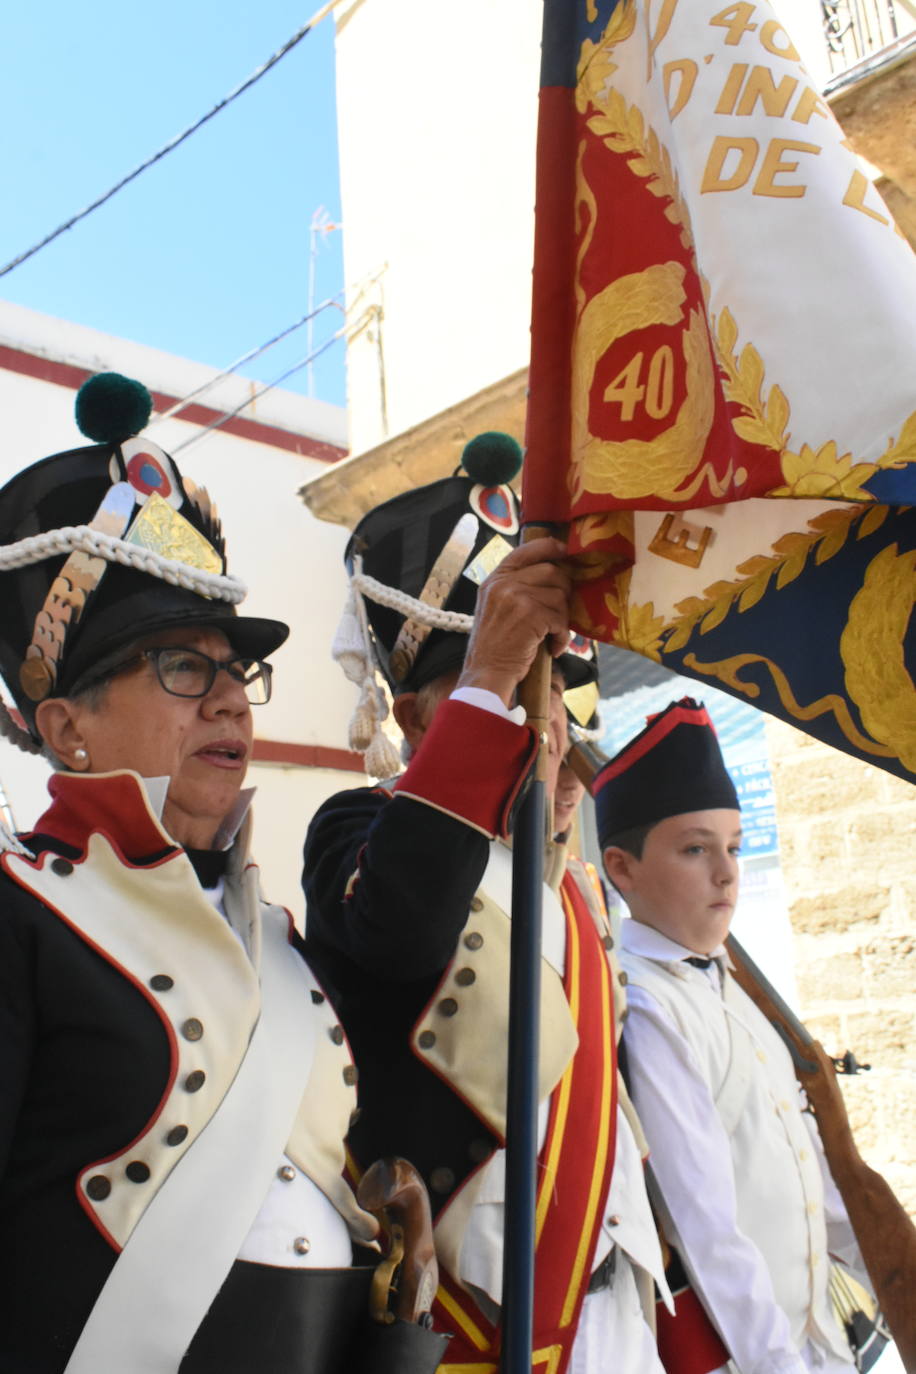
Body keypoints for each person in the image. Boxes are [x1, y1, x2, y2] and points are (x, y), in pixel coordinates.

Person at [0, 373, 448, 1374]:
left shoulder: (275, 940)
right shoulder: (20, 911)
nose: (229, 704)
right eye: (179, 667)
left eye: (233, 671)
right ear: (67, 728)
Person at [303, 436, 671, 1374]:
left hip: (616, 1321)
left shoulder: (570, 882)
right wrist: (489, 683)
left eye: (552, 694)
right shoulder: (358, 828)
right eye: (522, 694)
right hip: (477, 1337)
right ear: (428, 717)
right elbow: (402, 929)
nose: (548, 727)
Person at [593, 698, 873, 1374]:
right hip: (744, 1356)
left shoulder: (736, 985)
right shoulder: (647, 1004)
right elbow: (707, 1226)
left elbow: (821, 1177)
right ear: (621, 868)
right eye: (695, 849)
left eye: (735, 847)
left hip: (823, 1340)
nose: (727, 872)